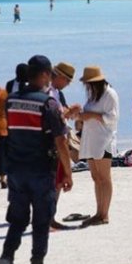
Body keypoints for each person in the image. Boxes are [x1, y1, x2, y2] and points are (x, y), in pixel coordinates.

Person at [0, 55, 73, 264]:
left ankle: (7, 256)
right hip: (41, 170)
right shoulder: (47, 103)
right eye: (50, 74)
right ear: (43, 75)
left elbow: (9, 133)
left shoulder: (11, 101)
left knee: (18, 220)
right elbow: (60, 141)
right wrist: (68, 172)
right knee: (41, 221)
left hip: (16, 171)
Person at [76, 66, 119, 227]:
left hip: (104, 140)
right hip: (91, 139)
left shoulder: (110, 94)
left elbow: (112, 118)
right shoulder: (94, 95)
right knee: (96, 177)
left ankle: (104, 214)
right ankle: (98, 212)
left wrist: (92, 116)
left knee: (104, 177)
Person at [48, 62, 78, 230]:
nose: (67, 85)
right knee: (54, 181)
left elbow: (63, 114)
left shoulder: (58, 93)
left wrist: (70, 112)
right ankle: (48, 219)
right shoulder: (50, 93)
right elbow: (57, 118)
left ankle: (51, 217)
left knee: (57, 182)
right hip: (55, 142)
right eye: (67, 81)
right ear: (60, 77)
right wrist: (69, 111)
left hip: (59, 140)